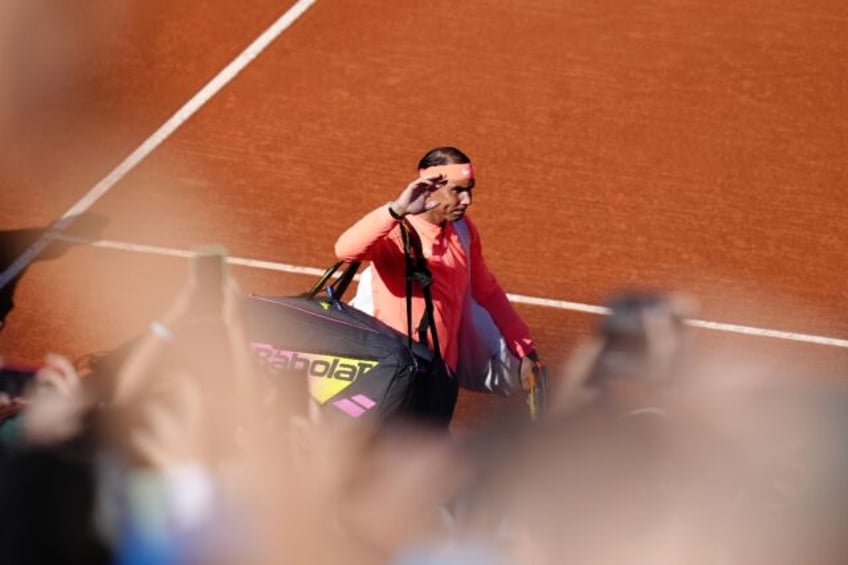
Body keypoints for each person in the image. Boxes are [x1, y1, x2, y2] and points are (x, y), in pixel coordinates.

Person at [334, 146, 542, 420]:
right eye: (458, 190)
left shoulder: (463, 230)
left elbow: (486, 291)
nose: (467, 199)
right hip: (392, 375)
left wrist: (524, 349)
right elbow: (345, 250)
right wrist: (395, 210)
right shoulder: (398, 230)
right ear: (430, 188)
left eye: (470, 189)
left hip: (441, 375)